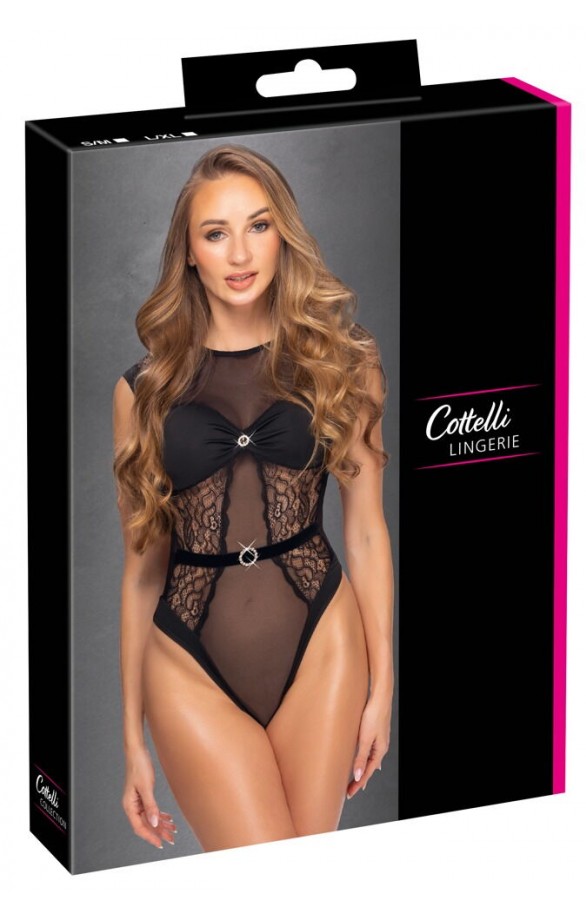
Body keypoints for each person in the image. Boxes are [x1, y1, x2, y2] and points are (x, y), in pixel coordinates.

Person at [112, 144, 394, 853]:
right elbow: (142, 571)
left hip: (321, 639)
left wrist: (383, 688)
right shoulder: (142, 391)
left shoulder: (344, 361)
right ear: (189, 253)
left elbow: (365, 531)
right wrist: (132, 743)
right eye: (216, 233)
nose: (240, 253)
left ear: (282, 234)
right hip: (187, 663)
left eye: (258, 226)